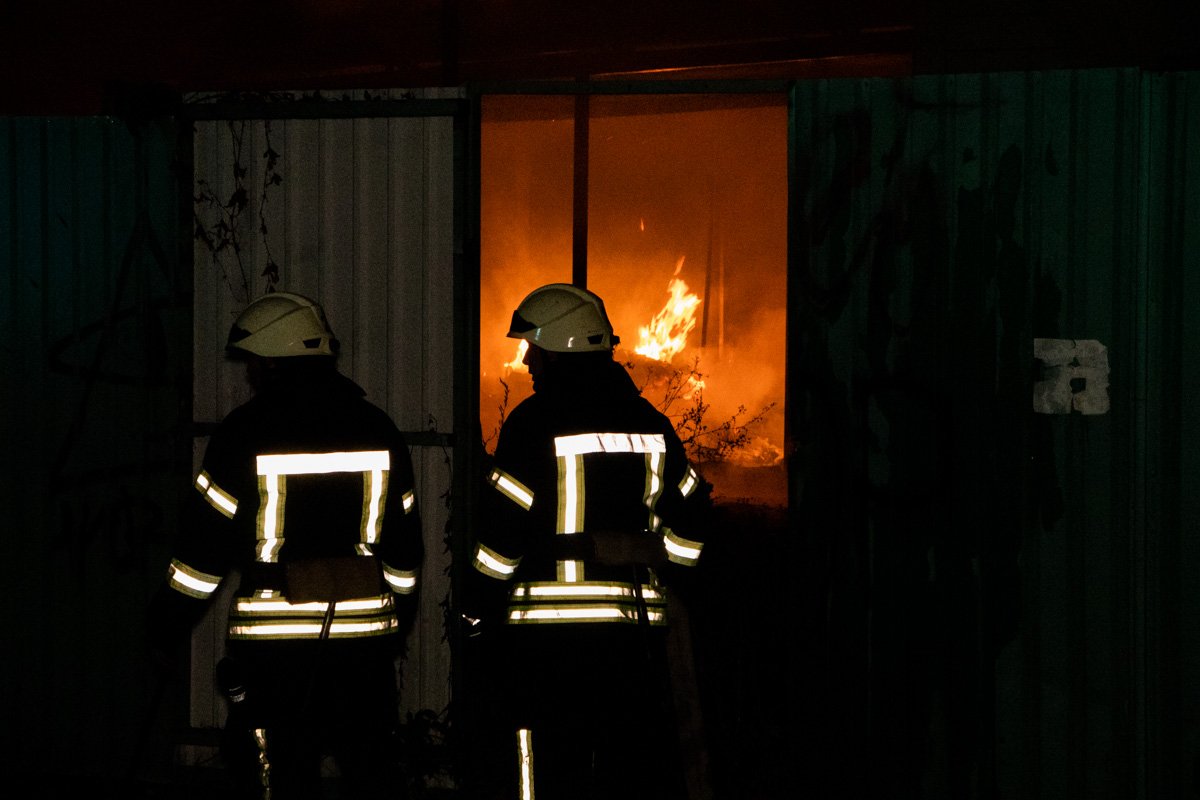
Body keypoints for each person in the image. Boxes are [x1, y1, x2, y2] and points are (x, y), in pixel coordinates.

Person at [148, 291, 424, 799]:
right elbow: (406, 550)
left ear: (273, 361)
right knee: (371, 775)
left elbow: (200, 555)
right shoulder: (378, 428)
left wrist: (164, 628)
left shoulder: (242, 433)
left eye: (253, 361)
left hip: (274, 656)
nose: (249, 373)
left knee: (275, 776)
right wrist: (398, 620)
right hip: (365, 652)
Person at [463, 283, 711, 800]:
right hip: (636, 637)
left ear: (560, 348)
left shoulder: (532, 424)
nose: (526, 360)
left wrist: (475, 609)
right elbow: (692, 522)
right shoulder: (653, 425)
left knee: (550, 767)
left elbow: (500, 535)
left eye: (533, 348)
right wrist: (667, 573)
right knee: (629, 770)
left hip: (548, 641)